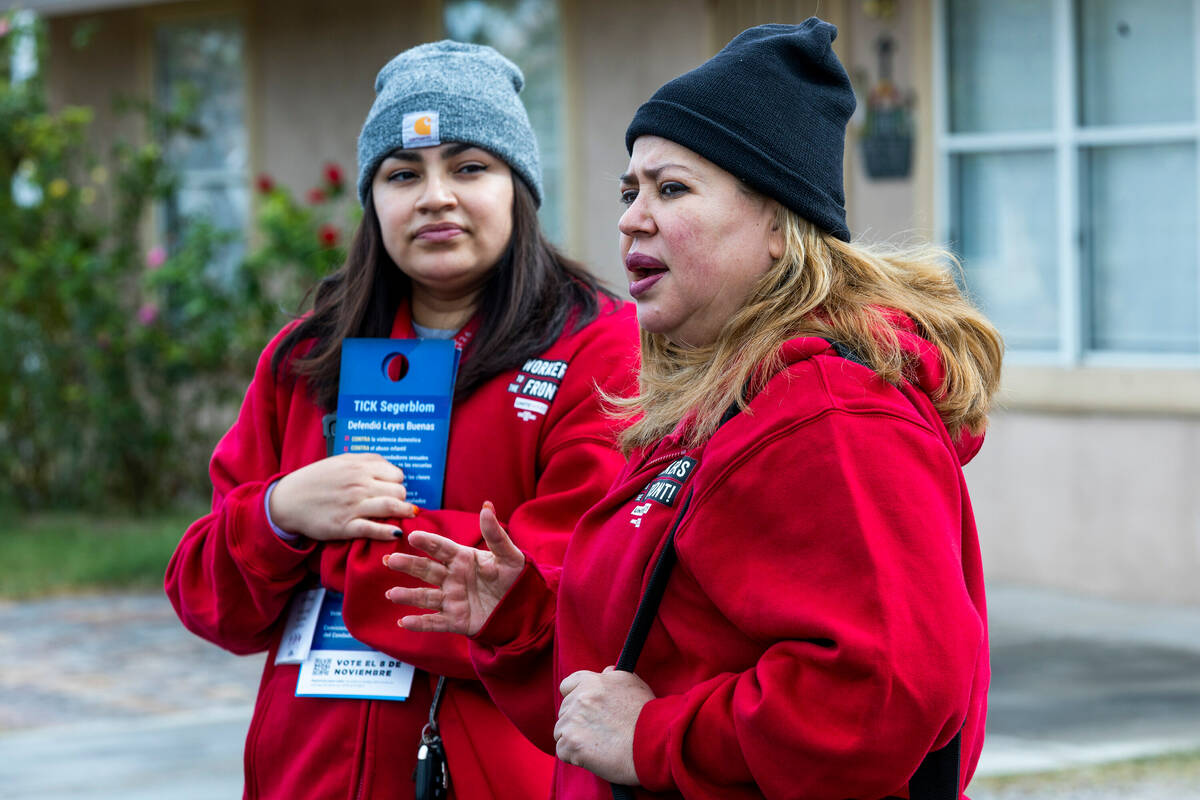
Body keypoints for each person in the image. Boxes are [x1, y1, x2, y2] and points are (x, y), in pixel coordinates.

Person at [384, 19, 1004, 800]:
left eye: (670, 188)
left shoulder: (831, 415)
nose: (631, 217)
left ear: (779, 224)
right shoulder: (719, 407)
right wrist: (520, 620)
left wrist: (654, 739)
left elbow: (883, 692)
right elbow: (636, 682)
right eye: (629, 189)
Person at [164, 41, 639, 800]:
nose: (435, 196)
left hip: (489, 775)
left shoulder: (597, 347)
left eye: (470, 167)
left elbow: (573, 598)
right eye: (403, 174)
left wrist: (340, 545)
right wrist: (282, 512)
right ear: (372, 198)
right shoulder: (307, 358)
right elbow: (206, 599)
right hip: (306, 775)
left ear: (519, 185)